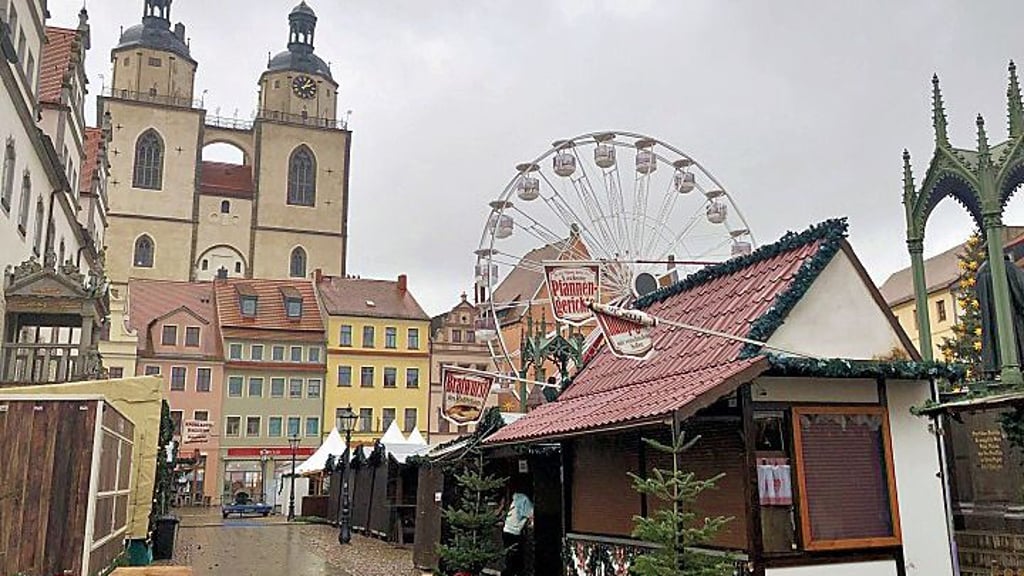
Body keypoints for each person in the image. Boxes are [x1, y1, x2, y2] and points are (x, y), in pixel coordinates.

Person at [501, 483, 534, 576]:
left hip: (506, 530)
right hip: (514, 532)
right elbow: (531, 515)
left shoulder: (515, 497)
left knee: (510, 558)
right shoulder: (524, 499)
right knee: (516, 560)